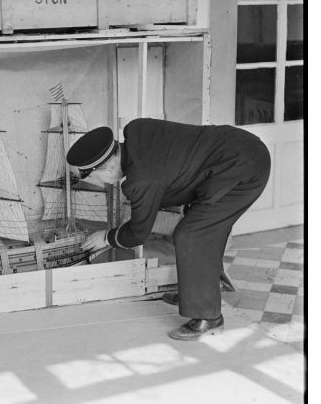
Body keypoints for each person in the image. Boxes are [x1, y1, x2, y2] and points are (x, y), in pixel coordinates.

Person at [66, 118, 271, 341]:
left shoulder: (141, 180)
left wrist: (107, 237)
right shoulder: (137, 130)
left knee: (193, 234)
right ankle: (196, 293)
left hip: (244, 170)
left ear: (110, 167)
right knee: (200, 228)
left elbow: (138, 232)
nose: (103, 183)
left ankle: (209, 318)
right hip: (236, 147)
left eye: (97, 177)